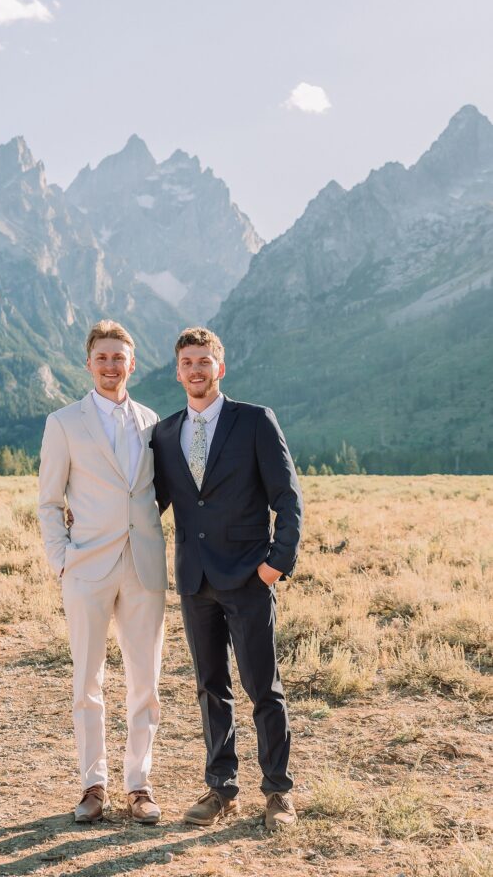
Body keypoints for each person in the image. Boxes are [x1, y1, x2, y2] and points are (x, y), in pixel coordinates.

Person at [152, 327, 303, 830]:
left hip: (248, 578)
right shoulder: (166, 433)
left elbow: (287, 498)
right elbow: (148, 502)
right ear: (177, 372)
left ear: (221, 367)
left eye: (205, 361)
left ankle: (278, 793)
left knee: (264, 688)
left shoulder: (256, 421)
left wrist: (275, 565)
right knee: (210, 687)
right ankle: (222, 789)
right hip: (195, 582)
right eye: (187, 363)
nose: (196, 370)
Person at [38, 320, 167, 824]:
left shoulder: (153, 421)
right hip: (86, 568)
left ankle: (140, 784)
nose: (111, 365)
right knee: (87, 682)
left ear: (132, 363)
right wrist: (61, 559)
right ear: (89, 364)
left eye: (120, 357)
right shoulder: (64, 422)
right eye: (103, 358)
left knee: (146, 682)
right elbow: (49, 501)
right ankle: (94, 785)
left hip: (143, 567)